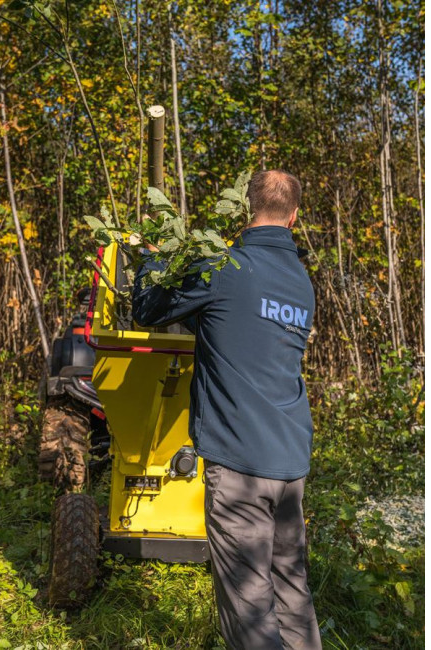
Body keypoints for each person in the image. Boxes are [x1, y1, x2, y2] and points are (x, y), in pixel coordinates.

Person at [132, 170, 322, 650]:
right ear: (294, 216)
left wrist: (151, 261)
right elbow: (236, 329)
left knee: (249, 609)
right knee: (291, 593)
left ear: (244, 208)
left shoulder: (225, 268)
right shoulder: (301, 284)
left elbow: (149, 310)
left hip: (240, 465)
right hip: (289, 463)